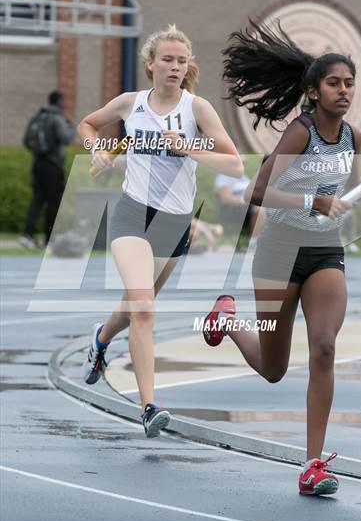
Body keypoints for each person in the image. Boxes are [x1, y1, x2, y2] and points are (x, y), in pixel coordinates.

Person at [203, 21, 361, 495]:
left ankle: (313, 467)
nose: (344, 91)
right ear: (313, 91)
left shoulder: (354, 137)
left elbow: (339, 194)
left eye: (349, 83)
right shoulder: (299, 134)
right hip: (279, 253)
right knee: (273, 368)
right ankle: (228, 321)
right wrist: (312, 203)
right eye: (334, 83)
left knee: (324, 347)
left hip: (325, 251)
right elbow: (258, 191)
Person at [78, 24, 243, 438]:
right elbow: (87, 124)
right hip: (133, 214)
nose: (174, 67)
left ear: (188, 67)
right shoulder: (130, 104)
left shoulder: (197, 109)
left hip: (175, 222)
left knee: (135, 307)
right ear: (150, 63)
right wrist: (96, 149)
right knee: (145, 308)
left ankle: (100, 339)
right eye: (167, 59)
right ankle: (150, 406)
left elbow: (235, 164)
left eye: (181, 61)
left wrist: (189, 147)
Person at [20, 91, 76, 249]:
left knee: (37, 201)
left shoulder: (38, 117)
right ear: (58, 102)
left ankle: (27, 235)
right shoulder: (57, 118)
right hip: (53, 166)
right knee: (54, 202)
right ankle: (49, 239)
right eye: (63, 101)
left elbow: (26, 140)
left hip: (38, 163)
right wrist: (72, 127)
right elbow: (66, 139)